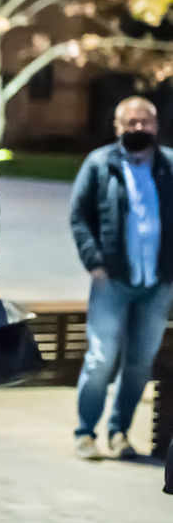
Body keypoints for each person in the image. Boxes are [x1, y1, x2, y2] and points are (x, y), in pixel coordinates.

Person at [69, 96, 173, 461]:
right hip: (111, 281)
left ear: (156, 126)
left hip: (157, 283)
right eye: (131, 122)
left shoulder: (169, 166)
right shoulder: (100, 164)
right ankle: (85, 432)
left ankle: (120, 433)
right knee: (101, 357)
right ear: (118, 127)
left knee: (140, 362)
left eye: (145, 122)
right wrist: (93, 260)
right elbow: (79, 215)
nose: (139, 128)